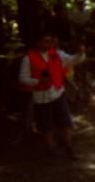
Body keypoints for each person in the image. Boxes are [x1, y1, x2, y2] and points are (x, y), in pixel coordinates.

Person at [18, 28, 86, 159]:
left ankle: (69, 147)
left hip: (58, 92)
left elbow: (73, 60)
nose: (48, 44)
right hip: (40, 97)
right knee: (46, 126)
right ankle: (52, 150)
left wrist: (80, 53)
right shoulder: (27, 58)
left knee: (65, 122)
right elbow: (22, 78)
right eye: (45, 41)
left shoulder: (57, 54)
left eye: (50, 41)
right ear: (38, 42)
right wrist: (37, 81)